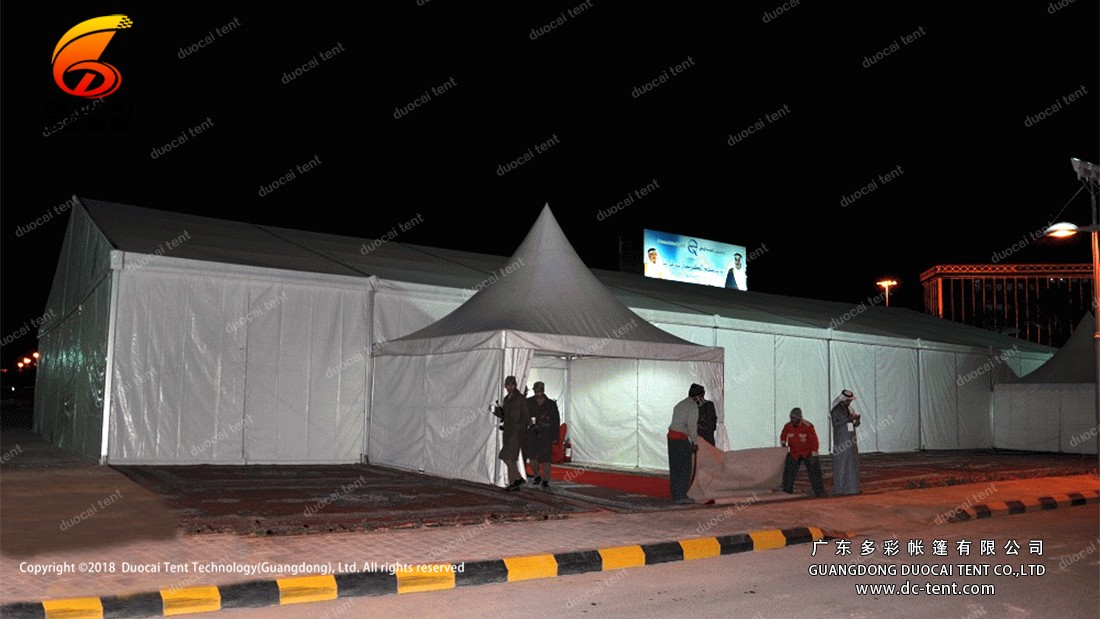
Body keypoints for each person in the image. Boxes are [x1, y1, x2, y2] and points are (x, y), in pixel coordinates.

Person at [668, 383, 704, 504]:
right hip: (680, 439)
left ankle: (676, 495)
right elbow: (692, 426)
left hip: (671, 439)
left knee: (675, 467)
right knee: (685, 467)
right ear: (698, 396)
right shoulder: (693, 407)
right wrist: (694, 442)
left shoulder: (680, 404)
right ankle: (682, 496)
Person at [492, 375, 529, 491]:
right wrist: (495, 411)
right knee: (511, 458)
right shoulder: (506, 399)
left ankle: (518, 478)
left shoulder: (521, 398)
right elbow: (504, 415)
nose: (509, 387)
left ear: (515, 385)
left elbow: (526, 416)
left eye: (511, 385)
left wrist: (519, 427)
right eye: (507, 385)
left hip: (516, 433)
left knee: (505, 456)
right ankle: (514, 483)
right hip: (507, 432)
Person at [779, 407, 826, 497]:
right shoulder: (788, 426)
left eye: (794, 418)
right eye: (791, 418)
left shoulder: (808, 426)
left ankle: (819, 492)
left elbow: (814, 441)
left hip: (807, 452)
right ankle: (787, 490)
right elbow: (783, 435)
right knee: (789, 470)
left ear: (800, 417)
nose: (792, 420)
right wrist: (783, 443)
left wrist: (814, 454)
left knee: (814, 470)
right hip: (794, 452)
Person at [525, 381, 561, 489]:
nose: (537, 392)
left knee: (546, 459)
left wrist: (555, 437)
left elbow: (555, 421)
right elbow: (524, 415)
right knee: (532, 457)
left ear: (543, 390)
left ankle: (546, 479)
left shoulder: (550, 404)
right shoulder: (529, 402)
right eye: (536, 390)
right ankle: (537, 476)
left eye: (539, 390)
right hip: (532, 433)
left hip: (546, 434)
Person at [829, 389, 861, 495]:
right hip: (842, 441)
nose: (849, 403)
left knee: (852, 463)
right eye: (848, 401)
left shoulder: (849, 409)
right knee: (842, 464)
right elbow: (835, 424)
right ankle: (840, 489)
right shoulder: (835, 410)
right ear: (843, 400)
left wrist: (856, 420)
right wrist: (848, 419)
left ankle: (853, 488)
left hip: (851, 440)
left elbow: (854, 424)